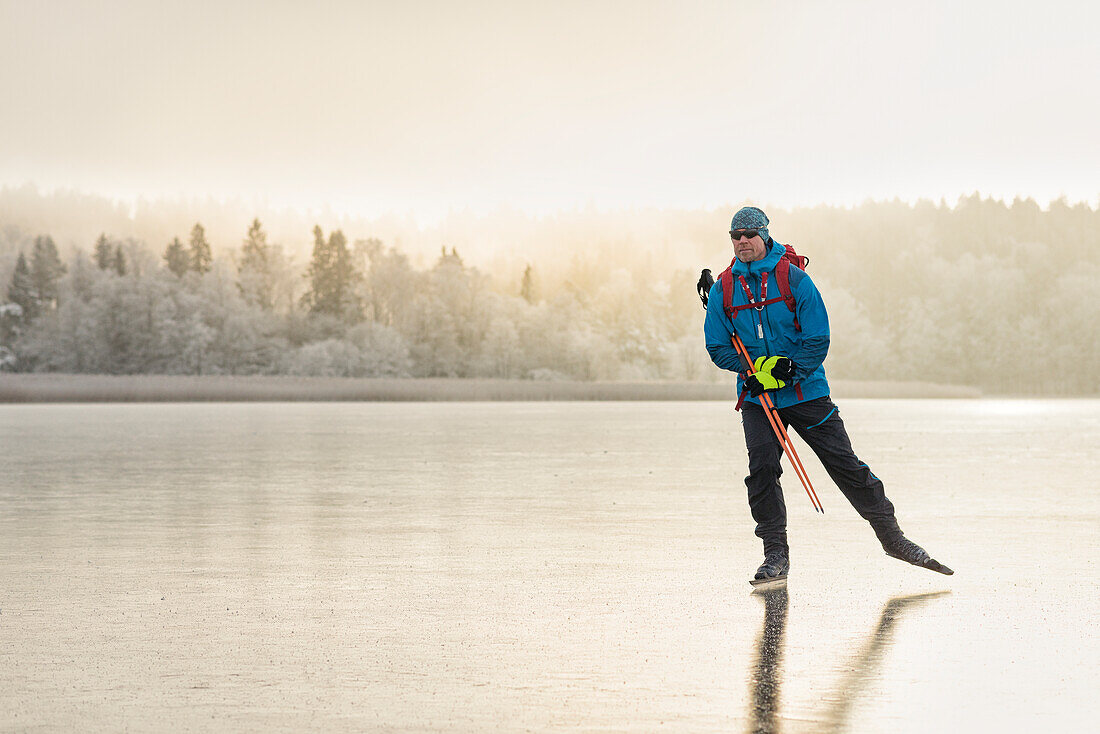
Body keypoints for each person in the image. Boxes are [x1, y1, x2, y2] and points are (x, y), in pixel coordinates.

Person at [703, 206, 952, 583]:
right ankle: (775, 555)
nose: (742, 242)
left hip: (807, 393)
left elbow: (817, 338)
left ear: (765, 235)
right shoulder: (724, 288)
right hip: (758, 400)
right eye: (735, 236)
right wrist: (750, 373)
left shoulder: (795, 280)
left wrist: (780, 373)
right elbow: (718, 347)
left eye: (749, 234)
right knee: (762, 471)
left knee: (846, 467)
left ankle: (894, 539)